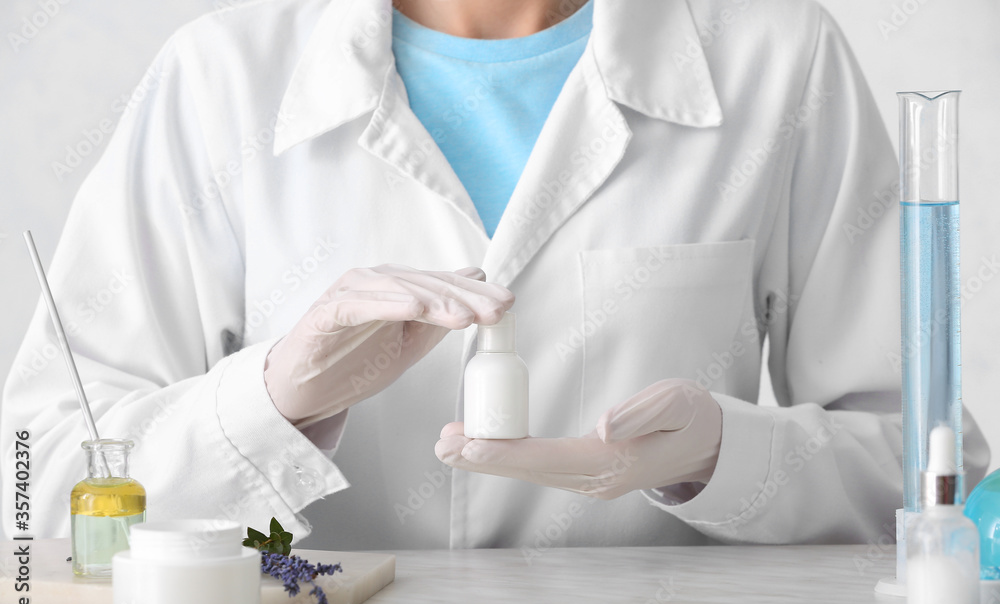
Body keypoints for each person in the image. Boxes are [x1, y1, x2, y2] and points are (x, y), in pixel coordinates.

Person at [1, 0, 989, 551]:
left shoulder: (780, 61)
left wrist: (723, 457)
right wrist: (266, 406)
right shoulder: (220, 79)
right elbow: (31, 482)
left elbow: (942, 479)